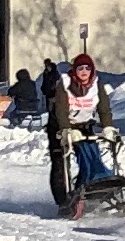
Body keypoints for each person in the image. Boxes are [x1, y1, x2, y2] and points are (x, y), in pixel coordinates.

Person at [47, 52, 118, 209]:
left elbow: (104, 109)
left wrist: (108, 126)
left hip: (84, 125)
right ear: (75, 70)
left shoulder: (96, 85)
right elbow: (61, 110)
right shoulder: (65, 84)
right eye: (80, 68)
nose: (84, 71)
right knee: (60, 163)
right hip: (60, 125)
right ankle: (62, 202)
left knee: (90, 154)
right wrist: (66, 130)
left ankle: (90, 184)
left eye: (87, 68)